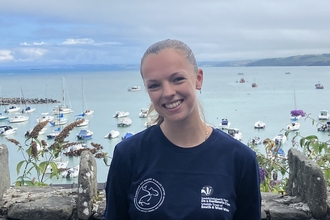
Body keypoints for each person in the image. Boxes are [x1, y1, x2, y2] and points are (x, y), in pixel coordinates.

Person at [105, 39, 261, 219]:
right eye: (155, 85)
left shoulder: (240, 159)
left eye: (177, 79)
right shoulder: (128, 155)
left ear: (198, 79)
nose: (168, 92)